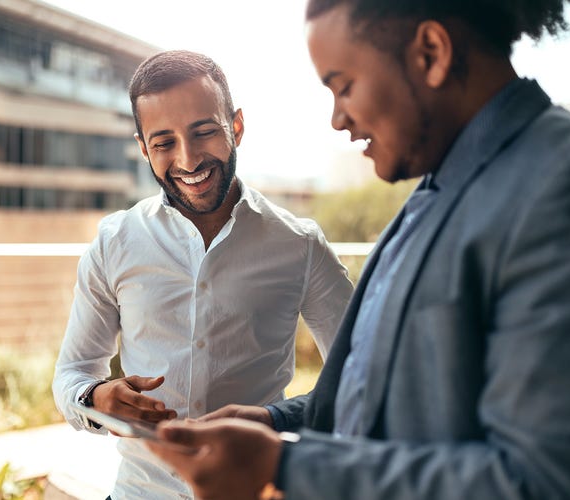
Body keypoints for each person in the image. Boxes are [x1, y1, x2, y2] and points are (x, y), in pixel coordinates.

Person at [145, 1, 570, 499]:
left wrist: (282, 468)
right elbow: (386, 398)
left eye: (344, 85)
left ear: (431, 53)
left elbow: (557, 481)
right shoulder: (431, 194)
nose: (337, 118)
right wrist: (274, 423)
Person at [52, 49, 354, 499]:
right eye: (164, 142)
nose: (188, 159)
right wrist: (95, 398)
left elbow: (361, 377)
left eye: (203, 132)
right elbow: (72, 373)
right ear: (142, 148)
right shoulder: (114, 242)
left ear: (236, 126)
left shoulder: (301, 244)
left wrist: (276, 420)